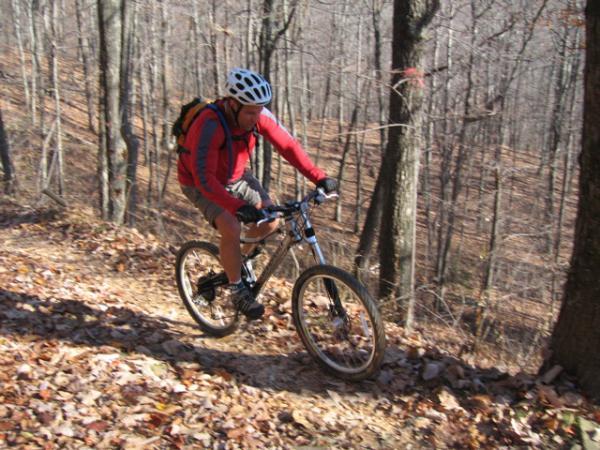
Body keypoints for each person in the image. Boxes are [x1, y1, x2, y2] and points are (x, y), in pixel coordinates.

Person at [177, 67, 337, 320]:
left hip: (236, 176)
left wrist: (319, 176)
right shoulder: (208, 124)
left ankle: (237, 265)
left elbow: (288, 146)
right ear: (232, 104)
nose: (256, 117)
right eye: (250, 112)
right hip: (199, 183)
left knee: (271, 220)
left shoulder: (257, 113)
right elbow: (203, 178)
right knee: (231, 226)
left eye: (259, 110)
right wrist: (235, 206)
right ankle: (236, 288)